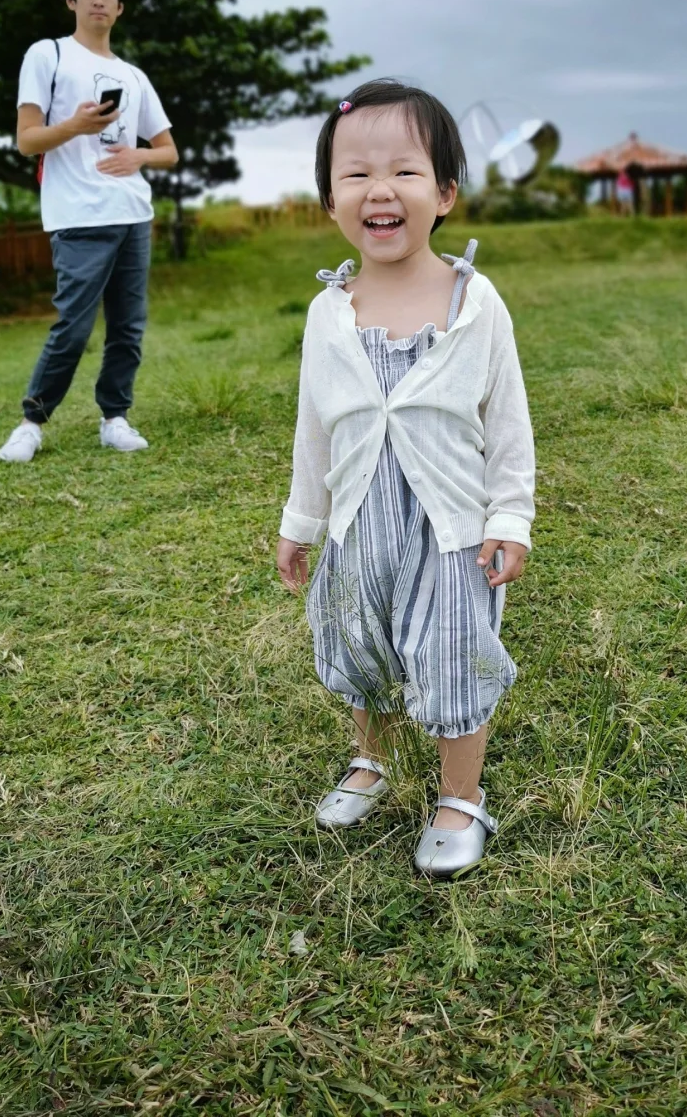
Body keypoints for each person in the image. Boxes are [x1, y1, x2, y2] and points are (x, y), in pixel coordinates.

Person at [276, 78, 535, 878]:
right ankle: (372, 758)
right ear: (330, 200)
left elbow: (508, 421)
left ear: (446, 193)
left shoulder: (474, 300)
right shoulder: (329, 312)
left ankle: (460, 797)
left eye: (404, 171)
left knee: (453, 651)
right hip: (357, 522)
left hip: (448, 528)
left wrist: (510, 518)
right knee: (359, 646)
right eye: (355, 174)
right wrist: (300, 523)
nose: (378, 189)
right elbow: (314, 427)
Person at [0, 0, 178, 463]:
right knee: (72, 325)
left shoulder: (133, 76)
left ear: (119, 8)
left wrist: (138, 154)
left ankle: (114, 417)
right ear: (71, 0)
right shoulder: (47, 55)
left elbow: (168, 149)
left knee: (127, 327)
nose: (98, 0)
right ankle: (32, 422)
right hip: (77, 216)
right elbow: (27, 141)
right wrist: (75, 126)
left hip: (133, 213)